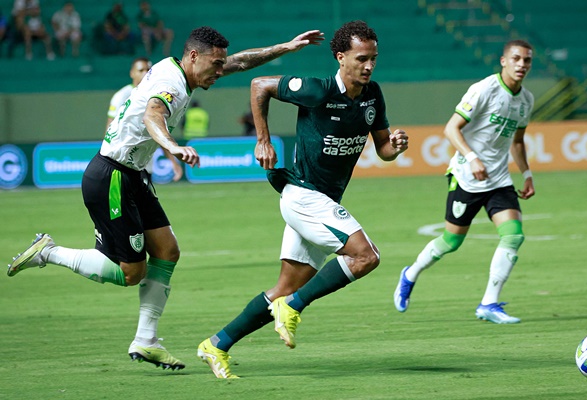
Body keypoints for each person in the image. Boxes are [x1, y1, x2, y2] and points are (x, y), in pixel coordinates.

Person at [7, 26, 324, 371]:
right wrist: (172, 146)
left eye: (220, 65)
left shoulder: (180, 69)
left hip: (131, 176)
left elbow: (241, 62)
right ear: (193, 56)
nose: (220, 71)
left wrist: (286, 46)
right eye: (215, 65)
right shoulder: (170, 84)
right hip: (111, 176)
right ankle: (48, 252)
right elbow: (152, 114)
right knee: (130, 272)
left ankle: (146, 340)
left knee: (167, 251)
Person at [197, 20, 409, 379]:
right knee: (365, 256)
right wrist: (262, 140)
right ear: (340, 57)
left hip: (319, 204)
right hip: (303, 197)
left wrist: (396, 146)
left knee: (283, 287)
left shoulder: (373, 96)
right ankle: (293, 307)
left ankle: (216, 344)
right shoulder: (318, 90)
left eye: (373, 58)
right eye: (361, 58)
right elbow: (259, 85)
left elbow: (383, 149)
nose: (369, 66)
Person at [393, 40, 535, 324]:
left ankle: (489, 304)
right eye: (516, 59)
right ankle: (410, 275)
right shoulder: (485, 89)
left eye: (527, 61)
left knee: (513, 236)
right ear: (503, 61)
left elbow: (517, 141)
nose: (521, 65)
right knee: (451, 242)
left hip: (498, 179)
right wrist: (472, 157)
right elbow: (450, 128)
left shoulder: (526, 100)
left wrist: (527, 174)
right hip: (466, 178)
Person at [106, 56, 183, 182]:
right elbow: (109, 129)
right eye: (141, 70)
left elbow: (158, 131)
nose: (145, 73)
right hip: (123, 164)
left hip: (145, 164)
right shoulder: (121, 96)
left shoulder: (156, 95)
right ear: (132, 73)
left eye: (148, 70)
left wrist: (173, 162)